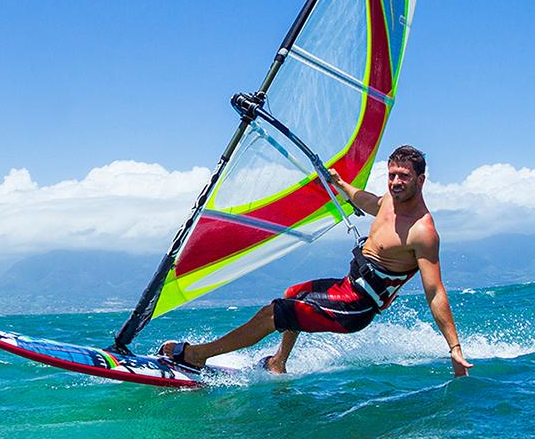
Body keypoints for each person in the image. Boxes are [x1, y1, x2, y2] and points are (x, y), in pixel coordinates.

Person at [159, 145, 472, 378]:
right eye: (391, 175)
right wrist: (339, 185)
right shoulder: (390, 200)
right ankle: (278, 363)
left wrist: (454, 349)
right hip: (346, 286)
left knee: (275, 314)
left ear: (421, 179)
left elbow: (435, 292)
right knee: (292, 292)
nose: (395, 182)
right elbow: (367, 201)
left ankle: (197, 355)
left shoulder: (422, 230)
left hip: (356, 307)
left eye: (403, 176)